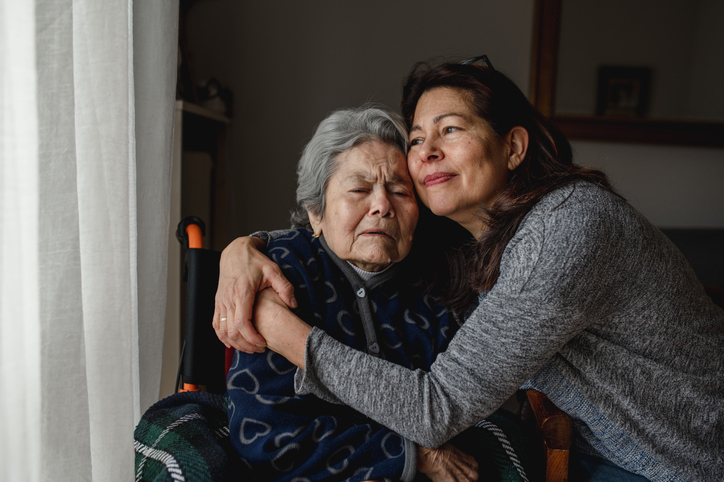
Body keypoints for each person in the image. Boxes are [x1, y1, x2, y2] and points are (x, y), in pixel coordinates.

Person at [215, 58, 724, 482]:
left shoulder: (563, 230)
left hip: (679, 456)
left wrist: (280, 328)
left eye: (451, 129)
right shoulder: (475, 238)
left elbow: (435, 408)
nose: (428, 150)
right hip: (604, 444)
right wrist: (242, 248)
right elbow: (337, 229)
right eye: (416, 138)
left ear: (514, 147)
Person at [225, 105, 483, 482]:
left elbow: (458, 416)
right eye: (359, 189)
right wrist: (411, 454)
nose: (382, 206)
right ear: (316, 211)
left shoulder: (442, 282)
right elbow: (269, 440)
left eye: (399, 191)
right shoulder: (279, 274)